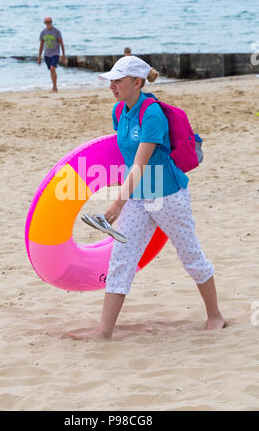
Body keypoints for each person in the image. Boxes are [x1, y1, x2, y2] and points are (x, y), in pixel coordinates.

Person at [68, 55, 225, 340]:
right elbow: (125, 156)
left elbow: (140, 164)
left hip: (168, 196)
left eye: (118, 80)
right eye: (110, 80)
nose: (112, 86)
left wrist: (117, 203)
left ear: (137, 82)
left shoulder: (152, 114)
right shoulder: (119, 112)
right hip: (139, 199)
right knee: (121, 260)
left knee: (190, 256)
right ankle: (103, 331)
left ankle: (216, 316)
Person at [38, 17, 67, 92]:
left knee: (52, 68)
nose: (49, 23)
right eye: (47, 22)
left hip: (55, 53)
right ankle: (54, 87)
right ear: (45, 23)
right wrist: (39, 57)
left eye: (50, 22)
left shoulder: (56, 31)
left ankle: (55, 87)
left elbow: (61, 43)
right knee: (51, 70)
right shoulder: (43, 32)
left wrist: (63, 55)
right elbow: (41, 45)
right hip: (47, 54)